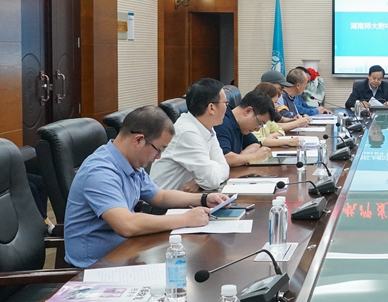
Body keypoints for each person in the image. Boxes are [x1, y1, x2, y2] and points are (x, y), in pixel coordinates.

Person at [64, 106, 228, 267]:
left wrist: (204, 199)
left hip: (126, 252)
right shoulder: (100, 172)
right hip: (95, 267)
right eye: (158, 150)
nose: (158, 157)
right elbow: (126, 225)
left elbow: (161, 196)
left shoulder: (130, 163)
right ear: (138, 140)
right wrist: (185, 219)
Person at [150, 78, 230, 192]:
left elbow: (225, 167)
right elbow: (211, 180)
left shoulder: (206, 126)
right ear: (211, 108)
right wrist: (207, 174)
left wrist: (198, 181)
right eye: (225, 103)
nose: (227, 107)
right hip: (166, 201)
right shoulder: (187, 132)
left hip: (185, 197)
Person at [213, 89, 276, 166]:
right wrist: (254, 156)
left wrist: (241, 157)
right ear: (248, 111)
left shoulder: (241, 126)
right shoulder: (222, 122)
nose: (257, 129)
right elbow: (224, 159)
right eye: (259, 123)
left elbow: (255, 144)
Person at [252, 82, 300, 147]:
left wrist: (271, 136)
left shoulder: (267, 116)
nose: (276, 105)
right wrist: (288, 142)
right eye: (275, 102)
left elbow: (280, 130)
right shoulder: (252, 117)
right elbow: (258, 140)